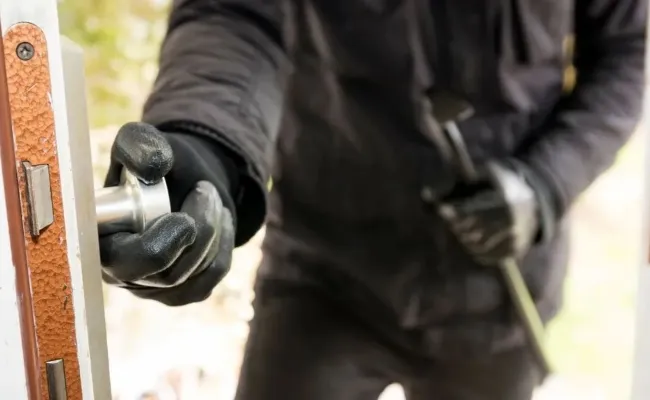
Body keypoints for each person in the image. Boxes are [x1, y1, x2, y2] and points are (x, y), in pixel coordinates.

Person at [98, 0, 647, 399]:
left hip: (495, 298)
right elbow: (235, 15)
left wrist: (546, 181)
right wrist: (207, 145)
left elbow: (627, 51)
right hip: (324, 273)